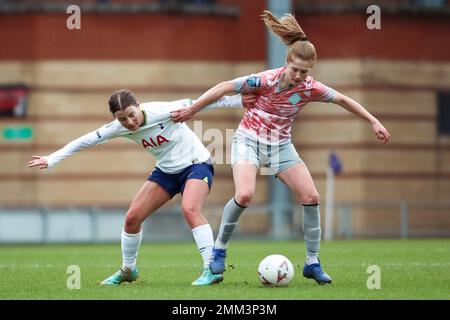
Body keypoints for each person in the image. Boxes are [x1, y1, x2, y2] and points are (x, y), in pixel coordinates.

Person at [171, 10, 391, 285]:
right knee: (246, 193)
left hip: (281, 147)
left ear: (311, 70)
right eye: (295, 69)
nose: (299, 75)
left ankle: (312, 262)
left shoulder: (311, 88)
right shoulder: (265, 80)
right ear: (287, 63)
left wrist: (373, 121)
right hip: (248, 141)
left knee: (311, 197)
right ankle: (219, 252)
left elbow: (343, 100)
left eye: (305, 71)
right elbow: (225, 86)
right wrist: (193, 109)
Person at [28, 89, 248, 286]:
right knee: (132, 218)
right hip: (166, 172)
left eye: (132, 115)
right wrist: (52, 159)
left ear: (139, 106)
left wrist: (241, 100)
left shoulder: (163, 110)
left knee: (190, 209)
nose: (129, 122)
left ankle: (211, 270)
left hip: (197, 165)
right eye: (122, 119)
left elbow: (204, 102)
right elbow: (84, 140)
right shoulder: (117, 127)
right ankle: (128, 270)